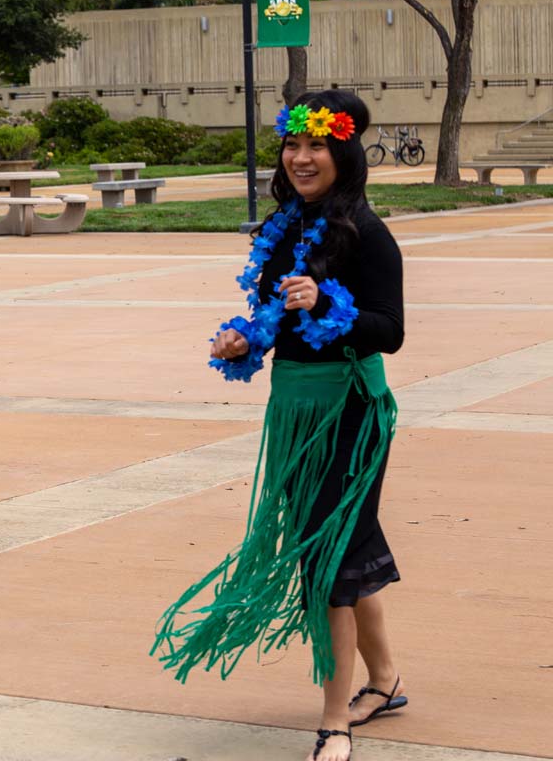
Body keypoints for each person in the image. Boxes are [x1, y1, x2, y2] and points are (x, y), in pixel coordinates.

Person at [151, 90, 408, 761]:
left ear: (343, 152)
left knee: (326, 566)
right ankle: (383, 681)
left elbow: (391, 331)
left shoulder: (367, 233)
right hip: (294, 411)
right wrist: (243, 341)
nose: (301, 158)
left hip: (350, 416)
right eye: (292, 145)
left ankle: (335, 722)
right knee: (341, 552)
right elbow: (271, 320)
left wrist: (329, 300)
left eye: (316, 146)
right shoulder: (284, 229)